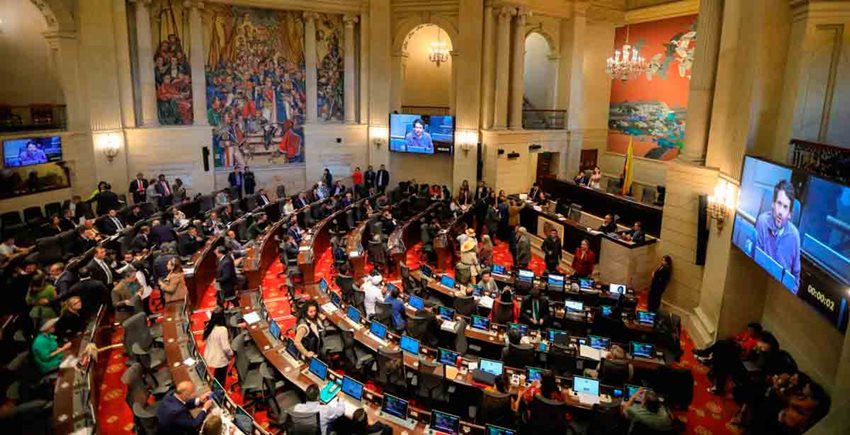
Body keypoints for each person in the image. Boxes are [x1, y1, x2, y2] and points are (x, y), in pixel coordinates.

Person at [755, 180, 801, 291]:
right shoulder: (762, 222)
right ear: (773, 204)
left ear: (790, 214)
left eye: (785, 207)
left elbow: (796, 280)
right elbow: (754, 259)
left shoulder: (795, 236)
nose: (780, 211)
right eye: (779, 204)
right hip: (760, 284)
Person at [203, 309, 233, 385]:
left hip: (209, 356)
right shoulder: (222, 330)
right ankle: (219, 393)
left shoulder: (208, 326)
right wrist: (231, 355)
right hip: (220, 359)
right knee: (220, 380)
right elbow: (226, 348)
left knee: (216, 378)